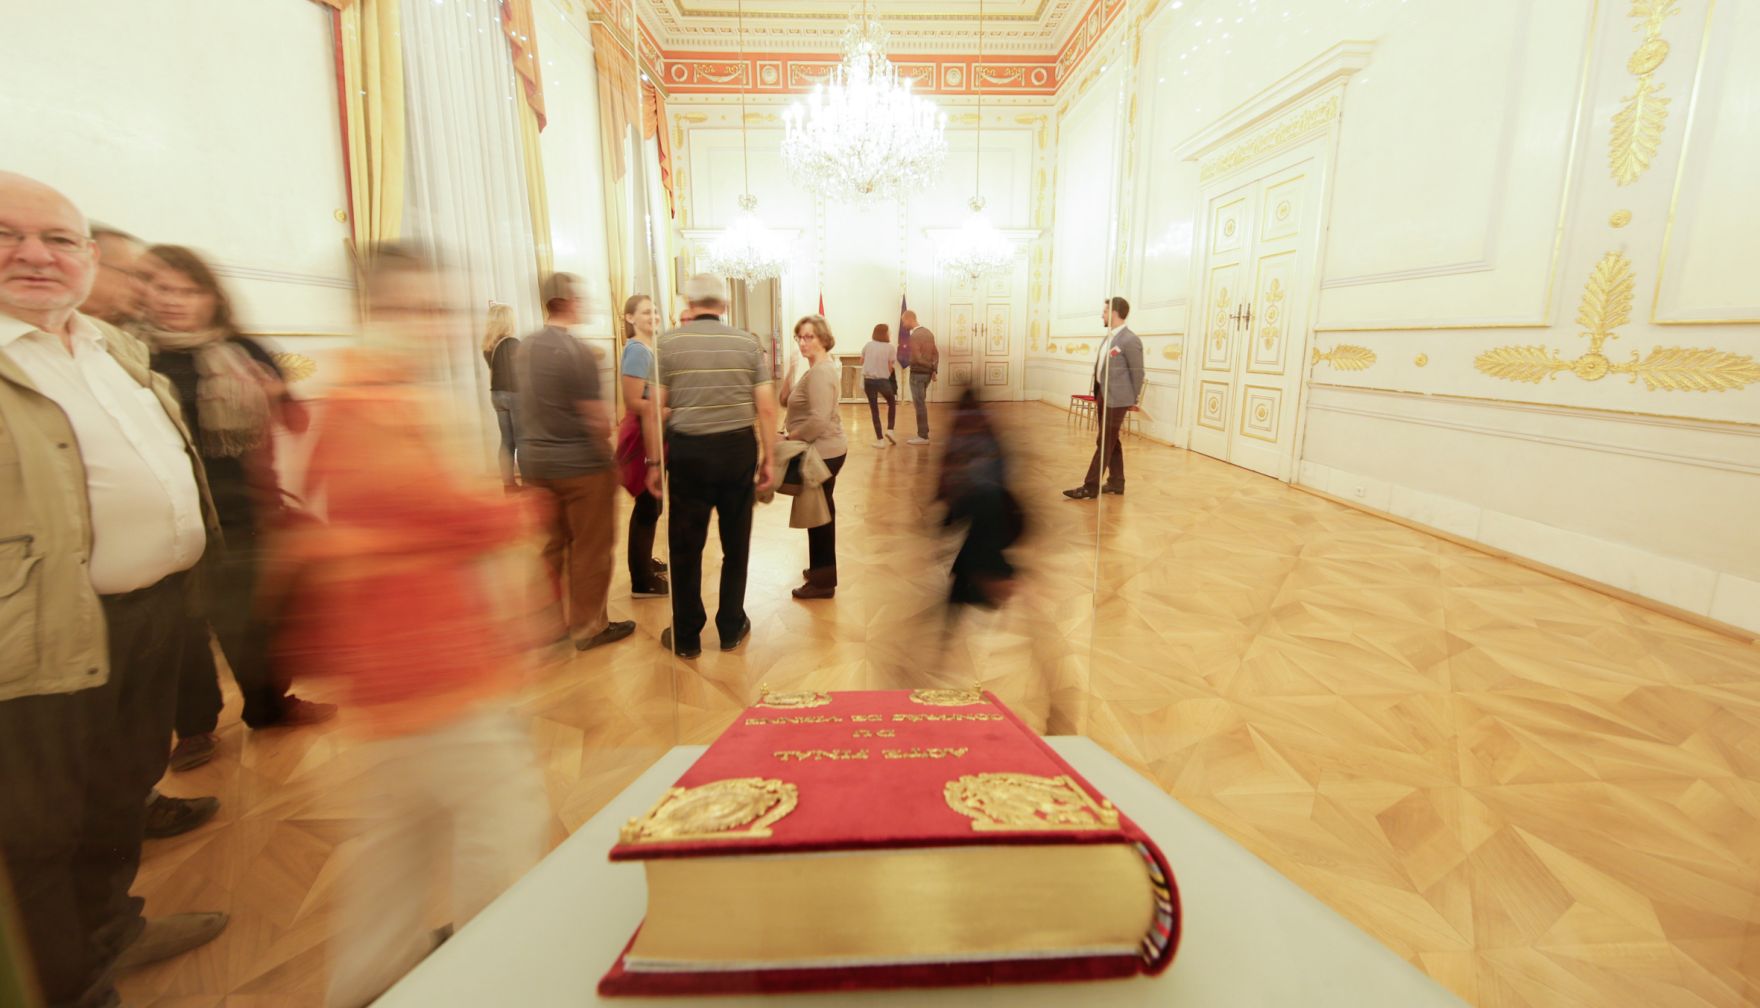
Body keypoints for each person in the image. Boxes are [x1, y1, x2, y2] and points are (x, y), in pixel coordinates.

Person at [280, 245, 548, 1008]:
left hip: (400, 665)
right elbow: (431, 508)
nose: (438, 326)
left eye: (445, 310)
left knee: (398, 843)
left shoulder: (372, 391)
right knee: (502, 828)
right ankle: (493, 981)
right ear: (381, 309)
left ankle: (367, 983)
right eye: (420, 309)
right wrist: (512, 511)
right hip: (431, 664)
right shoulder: (372, 399)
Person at [0, 172, 229, 1008]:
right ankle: (69, 988)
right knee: (40, 829)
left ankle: (111, 929)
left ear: (89, 259)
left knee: (120, 791)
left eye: (58, 239)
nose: (34, 254)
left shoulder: (105, 349)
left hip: (153, 612)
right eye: (7, 235)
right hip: (46, 636)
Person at [136, 244, 334, 772]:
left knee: (249, 623)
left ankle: (269, 707)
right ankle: (195, 729)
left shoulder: (242, 348)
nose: (174, 301)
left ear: (211, 298)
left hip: (243, 510)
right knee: (180, 633)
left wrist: (273, 398)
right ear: (144, 291)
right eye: (163, 288)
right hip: (163, 514)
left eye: (188, 290)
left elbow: (297, 421)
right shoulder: (128, 352)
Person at [74, 227, 219, 840]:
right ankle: (103, 916)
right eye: (134, 276)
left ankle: (134, 815)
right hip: (84, 599)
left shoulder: (112, 351)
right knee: (89, 742)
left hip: (154, 586)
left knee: (132, 729)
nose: (145, 292)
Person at [643, 274, 779, 659]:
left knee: (685, 546)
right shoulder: (747, 344)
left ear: (689, 300)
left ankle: (686, 635)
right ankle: (731, 625)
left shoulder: (667, 343)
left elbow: (655, 410)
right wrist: (769, 458)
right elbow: (766, 408)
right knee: (737, 543)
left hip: (688, 453)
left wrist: (654, 462)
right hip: (737, 450)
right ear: (725, 305)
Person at [517, 273, 635, 651]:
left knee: (551, 545)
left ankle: (549, 624)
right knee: (590, 548)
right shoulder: (577, 352)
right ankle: (588, 626)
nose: (583, 303)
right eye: (579, 297)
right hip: (580, 466)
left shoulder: (524, 348)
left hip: (534, 463)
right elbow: (596, 420)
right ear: (567, 301)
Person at [784, 315, 849, 599]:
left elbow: (819, 420)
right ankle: (821, 571)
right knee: (819, 514)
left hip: (823, 452)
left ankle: (823, 583)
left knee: (819, 518)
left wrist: (790, 438)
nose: (802, 341)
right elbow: (785, 400)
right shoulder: (815, 369)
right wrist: (790, 370)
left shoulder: (822, 372)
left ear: (823, 338)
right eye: (799, 336)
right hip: (822, 451)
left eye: (809, 336)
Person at [1064, 297, 1144, 500]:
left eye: (1106, 311)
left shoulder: (1130, 340)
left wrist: (1133, 399)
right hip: (1103, 395)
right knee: (1112, 440)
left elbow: (1137, 373)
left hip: (1118, 400)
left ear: (1115, 313)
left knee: (1105, 440)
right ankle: (1117, 482)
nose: (1102, 314)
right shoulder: (1109, 337)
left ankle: (1090, 486)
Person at [617, 294, 668, 597]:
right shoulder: (637, 350)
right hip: (642, 434)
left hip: (652, 431)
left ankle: (644, 563)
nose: (654, 316)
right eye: (646, 312)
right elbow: (635, 401)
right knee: (648, 505)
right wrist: (672, 410)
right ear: (630, 318)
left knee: (652, 504)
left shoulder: (648, 349)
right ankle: (641, 579)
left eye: (655, 311)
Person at [482, 301, 521, 490]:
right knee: (522, 440)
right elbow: (520, 373)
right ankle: (530, 483)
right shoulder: (513, 343)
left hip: (496, 395)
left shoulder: (488, 346)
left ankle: (509, 485)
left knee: (507, 441)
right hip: (514, 395)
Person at [902, 309, 938, 445]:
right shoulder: (929, 333)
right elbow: (936, 353)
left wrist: (909, 359)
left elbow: (916, 358)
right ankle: (924, 434)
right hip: (927, 375)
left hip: (917, 374)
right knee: (921, 403)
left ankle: (923, 436)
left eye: (903, 321)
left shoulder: (915, 336)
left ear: (910, 319)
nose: (903, 324)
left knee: (919, 405)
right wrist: (934, 369)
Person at [860, 322, 898, 448]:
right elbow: (890, 367)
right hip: (883, 381)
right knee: (891, 402)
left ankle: (880, 440)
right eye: (889, 332)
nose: (890, 334)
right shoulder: (890, 348)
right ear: (884, 333)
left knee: (874, 409)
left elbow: (862, 361)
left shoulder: (868, 345)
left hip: (868, 381)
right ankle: (890, 430)